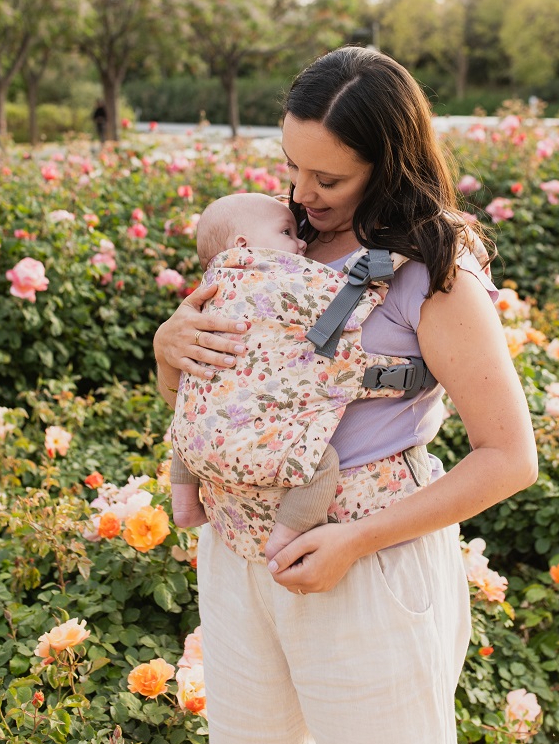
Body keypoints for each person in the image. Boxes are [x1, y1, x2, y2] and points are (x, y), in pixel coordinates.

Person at [154, 46, 538, 744]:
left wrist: (354, 542)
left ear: (389, 163)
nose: (303, 192)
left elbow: (509, 456)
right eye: (293, 165)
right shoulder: (267, 239)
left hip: (365, 563)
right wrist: (168, 346)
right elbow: (214, 395)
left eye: (329, 178)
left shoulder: (433, 270)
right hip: (236, 556)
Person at [169, 191, 423, 560]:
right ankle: (284, 538)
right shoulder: (276, 276)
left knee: (188, 418)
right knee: (320, 464)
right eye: (287, 232)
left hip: (197, 442)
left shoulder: (214, 286)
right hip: (257, 451)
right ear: (244, 244)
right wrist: (387, 261)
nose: (301, 241)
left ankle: (183, 505)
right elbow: (344, 300)